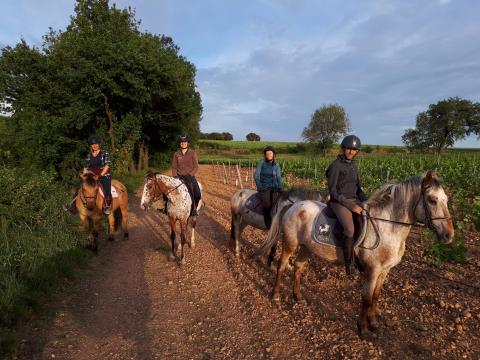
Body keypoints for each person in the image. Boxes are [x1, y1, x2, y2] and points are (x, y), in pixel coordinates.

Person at [326, 135, 367, 276]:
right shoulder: (335, 166)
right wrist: (350, 206)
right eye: (349, 148)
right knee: (349, 229)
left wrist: (367, 201)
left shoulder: (354, 165)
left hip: (354, 199)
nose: (351, 152)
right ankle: (349, 265)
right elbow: (333, 191)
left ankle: (359, 255)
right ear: (343, 149)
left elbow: (358, 188)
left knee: (368, 222)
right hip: (339, 202)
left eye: (354, 149)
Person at [63, 135, 113, 215]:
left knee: (107, 190)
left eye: (96, 144)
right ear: (91, 146)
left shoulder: (104, 153)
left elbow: (107, 165)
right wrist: (84, 175)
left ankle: (107, 206)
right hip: (91, 176)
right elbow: (86, 167)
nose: (95, 146)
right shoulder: (89, 155)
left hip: (103, 175)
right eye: (93, 144)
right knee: (78, 188)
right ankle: (72, 206)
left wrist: (100, 175)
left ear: (99, 144)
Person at [162, 134, 201, 216]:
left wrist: (190, 175)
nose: (183, 143)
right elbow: (174, 167)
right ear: (180, 143)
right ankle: (165, 207)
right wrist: (175, 176)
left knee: (197, 193)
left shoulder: (192, 153)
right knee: (166, 191)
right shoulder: (176, 154)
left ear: (188, 143)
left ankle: (194, 209)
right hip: (178, 177)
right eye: (181, 142)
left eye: (185, 142)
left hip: (189, 177)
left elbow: (196, 167)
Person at [254, 146, 283, 229]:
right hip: (264, 187)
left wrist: (280, 188)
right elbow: (256, 176)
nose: (268, 155)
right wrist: (260, 187)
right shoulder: (262, 163)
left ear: (274, 154)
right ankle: (268, 225)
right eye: (266, 154)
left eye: (270, 153)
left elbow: (278, 177)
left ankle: (276, 222)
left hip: (274, 187)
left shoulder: (276, 165)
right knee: (267, 205)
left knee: (277, 204)